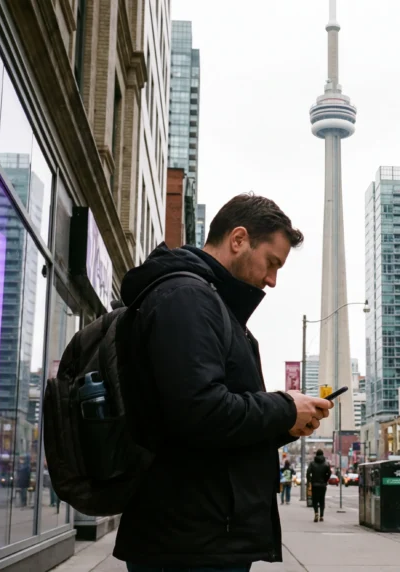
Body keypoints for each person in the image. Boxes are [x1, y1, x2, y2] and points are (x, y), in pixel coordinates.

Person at [112, 194, 334, 572]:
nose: (272, 280)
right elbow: (200, 411)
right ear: (238, 239)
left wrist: (286, 422)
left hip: (202, 536)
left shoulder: (209, 303)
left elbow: (213, 423)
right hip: (189, 544)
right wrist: (282, 407)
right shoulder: (187, 298)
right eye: (272, 263)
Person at [306, 450, 332, 522]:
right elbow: (329, 473)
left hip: (314, 485)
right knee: (322, 500)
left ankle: (316, 513)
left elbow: (308, 473)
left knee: (315, 500)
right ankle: (321, 516)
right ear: (322, 455)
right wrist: (325, 480)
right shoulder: (326, 464)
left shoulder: (312, 464)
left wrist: (309, 481)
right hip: (323, 485)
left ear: (316, 455)